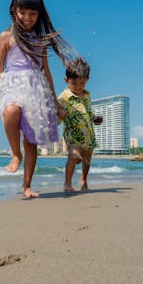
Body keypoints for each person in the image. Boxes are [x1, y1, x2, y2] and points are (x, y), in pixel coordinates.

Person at [0, 0, 74, 199]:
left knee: (31, 141)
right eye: (23, 12)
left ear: (39, 14)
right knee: (10, 111)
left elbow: (47, 74)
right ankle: (16, 154)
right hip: (12, 86)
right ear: (14, 11)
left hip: (36, 91)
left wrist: (56, 103)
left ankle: (26, 186)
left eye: (33, 14)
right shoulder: (6, 37)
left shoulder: (40, 41)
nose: (27, 18)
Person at [58, 57, 103, 193]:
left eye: (82, 83)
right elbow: (57, 116)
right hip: (73, 134)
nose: (78, 87)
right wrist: (59, 116)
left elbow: (88, 112)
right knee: (74, 156)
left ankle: (84, 180)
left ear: (87, 80)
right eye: (74, 83)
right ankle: (67, 183)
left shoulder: (87, 95)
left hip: (88, 135)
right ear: (66, 80)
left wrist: (94, 118)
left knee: (87, 161)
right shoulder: (63, 97)